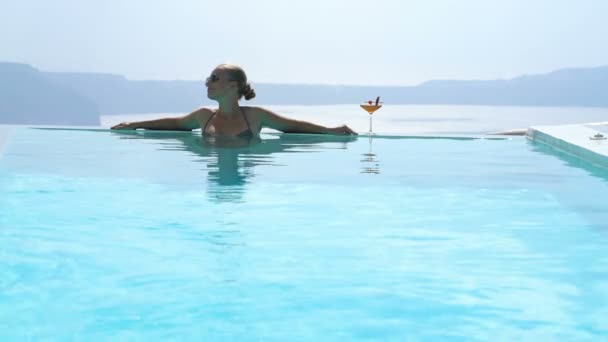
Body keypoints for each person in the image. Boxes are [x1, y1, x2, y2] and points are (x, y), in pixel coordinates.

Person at [111, 64, 357, 136]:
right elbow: (173, 123)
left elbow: (291, 126)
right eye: (208, 77)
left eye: (214, 77)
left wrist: (330, 131)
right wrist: (135, 124)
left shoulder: (254, 117)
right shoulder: (204, 117)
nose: (208, 81)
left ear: (232, 85)